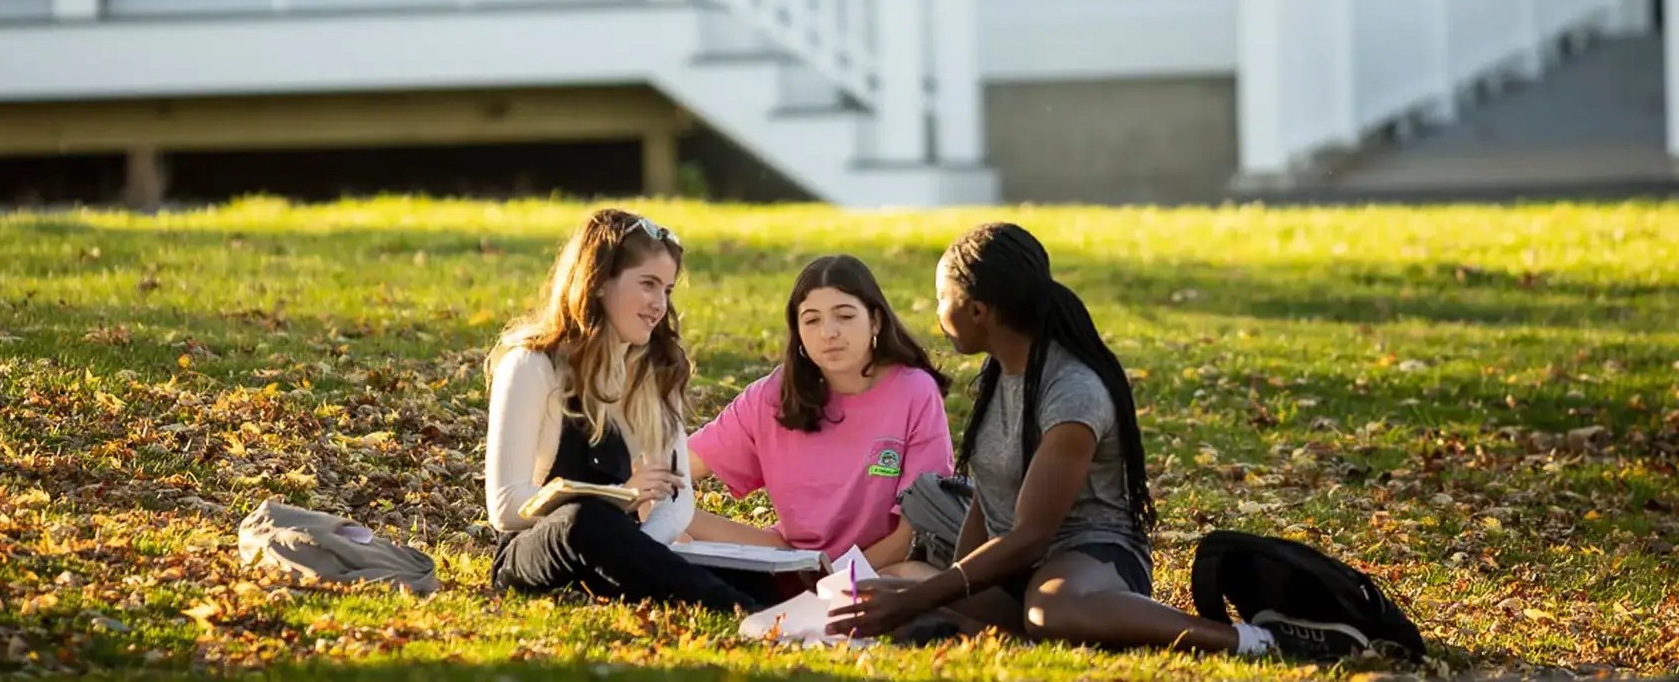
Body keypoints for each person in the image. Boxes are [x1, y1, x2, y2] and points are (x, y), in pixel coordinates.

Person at [825, 222, 1276, 656]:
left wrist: (929, 595)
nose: (937, 312)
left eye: (942, 298)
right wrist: (951, 581)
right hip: (1016, 569)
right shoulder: (996, 372)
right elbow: (990, 492)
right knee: (884, 588)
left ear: (978, 311)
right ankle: (1006, 624)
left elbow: (1033, 536)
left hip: (1091, 561)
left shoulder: (1072, 392)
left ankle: (1243, 641)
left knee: (1046, 612)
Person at [482, 208, 756, 611]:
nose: (659, 304)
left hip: (616, 548)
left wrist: (638, 550)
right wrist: (620, 496)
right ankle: (749, 614)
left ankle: (803, 609)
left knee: (746, 570)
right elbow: (505, 507)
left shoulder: (655, 372)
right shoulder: (530, 365)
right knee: (584, 519)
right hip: (543, 547)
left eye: (667, 289)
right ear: (598, 284)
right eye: (648, 284)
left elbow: (675, 500)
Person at [683, 254, 954, 570]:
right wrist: (648, 497)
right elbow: (679, 467)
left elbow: (913, 531)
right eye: (812, 320)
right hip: (790, 561)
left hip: (880, 568)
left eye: (845, 316)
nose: (829, 333)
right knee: (673, 516)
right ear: (798, 331)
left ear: (875, 320)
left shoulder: (915, 391)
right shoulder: (774, 393)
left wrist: (836, 580)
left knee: (914, 579)